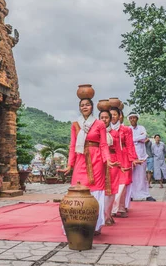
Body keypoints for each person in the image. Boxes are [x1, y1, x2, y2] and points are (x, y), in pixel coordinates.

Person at [60, 98, 114, 235]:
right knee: (77, 191)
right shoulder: (75, 125)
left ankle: (94, 226)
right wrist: (69, 165)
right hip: (80, 160)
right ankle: (76, 225)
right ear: (79, 108)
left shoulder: (99, 124)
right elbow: (72, 146)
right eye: (82, 105)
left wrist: (107, 159)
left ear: (92, 107)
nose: (85, 107)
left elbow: (103, 145)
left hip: (96, 160)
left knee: (96, 192)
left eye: (87, 105)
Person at [111, 107, 137, 217]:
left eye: (115, 114)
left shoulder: (126, 129)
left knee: (122, 184)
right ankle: (115, 208)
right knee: (113, 183)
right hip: (112, 158)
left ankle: (118, 208)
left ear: (120, 116)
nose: (113, 117)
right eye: (110, 114)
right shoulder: (105, 129)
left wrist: (133, 159)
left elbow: (130, 145)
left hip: (124, 157)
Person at [99, 109, 120, 226]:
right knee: (100, 189)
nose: (104, 119)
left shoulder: (115, 133)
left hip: (113, 162)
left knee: (111, 189)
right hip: (100, 162)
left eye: (107, 117)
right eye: (102, 117)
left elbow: (118, 150)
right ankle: (100, 215)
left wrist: (120, 164)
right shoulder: (96, 133)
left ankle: (107, 215)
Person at [128, 113, 155, 202]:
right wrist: (139, 139)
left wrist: (133, 139)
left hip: (142, 156)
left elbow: (144, 137)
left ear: (137, 119)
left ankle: (145, 194)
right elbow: (128, 140)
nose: (132, 120)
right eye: (131, 118)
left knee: (142, 176)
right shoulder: (128, 129)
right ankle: (130, 195)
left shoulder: (141, 128)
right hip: (131, 156)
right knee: (130, 176)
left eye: (134, 118)